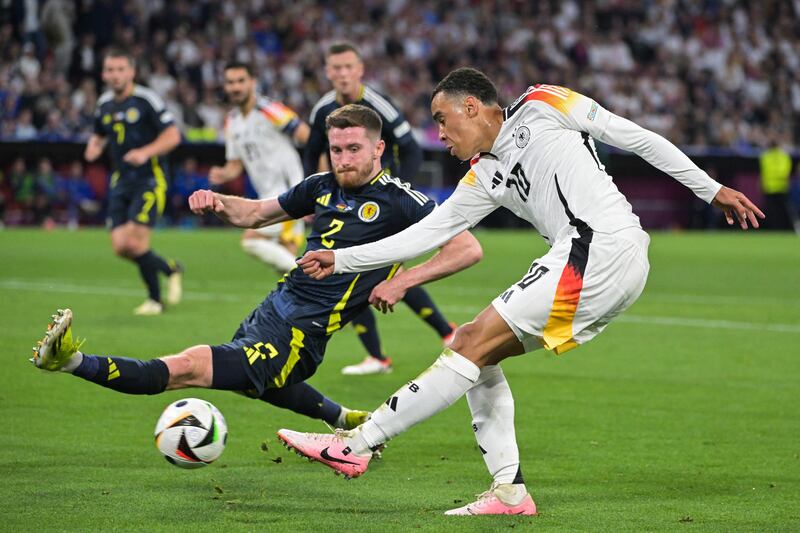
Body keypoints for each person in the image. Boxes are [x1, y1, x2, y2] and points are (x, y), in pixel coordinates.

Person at [276, 68, 765, 516]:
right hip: (596, 261)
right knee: (476, 351)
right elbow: (428, 233)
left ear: (471, 106)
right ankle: (509, 491)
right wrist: (343, 258)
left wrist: (709, 188)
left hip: (599, 247)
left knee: (470, 344)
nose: (439, 134)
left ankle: (355, 444)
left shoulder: (543, 103)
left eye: (442, 120)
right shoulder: (482, 174)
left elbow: (633, 136)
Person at [30, 104, 482, 439]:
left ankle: (69, 361)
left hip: (300, 336)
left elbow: (466, 248)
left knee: (187, 367)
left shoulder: (401, 201)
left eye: (353, 149)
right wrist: (218, 201)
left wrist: (402, 281)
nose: (342, 158)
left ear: (379, 148)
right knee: (256, 385)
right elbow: (256, 214)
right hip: (272, 309)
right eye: (335, 149)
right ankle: (344, 419)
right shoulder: (320, 186)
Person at [306, 41, 457, 375]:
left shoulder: (379, 105)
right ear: (328, 72)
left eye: (348, 67)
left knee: (366, 269)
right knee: (364, 270)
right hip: (344, 202)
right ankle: (440, 335)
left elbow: (411, 148)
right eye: (336, 68)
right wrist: (312, 197)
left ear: (360, 70)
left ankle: (404, 347)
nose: (343, 74)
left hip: (378, 203)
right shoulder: (322, 110)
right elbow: (311, 151)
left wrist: (395, 192)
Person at [84, 49, 183, 316]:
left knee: (136, 244)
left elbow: (173, 136)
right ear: (103, 74)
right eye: (110, 70)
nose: (115, 75)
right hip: (121, 180)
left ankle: (155, 300)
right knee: (121, 247)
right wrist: (94, 146)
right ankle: (170, 268)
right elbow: (99, 134)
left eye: (120, 69)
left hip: (150, 179)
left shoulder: (146, 100)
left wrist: (145, 152)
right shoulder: (104, 104)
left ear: (131, 72)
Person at [208, 62, 310, 274]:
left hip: (287, 192)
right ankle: (309, 283)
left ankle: (313, 280)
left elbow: (307, 136)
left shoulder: (270, 110)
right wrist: (223, 174)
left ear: (252, 82)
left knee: (251, 241)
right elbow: (235, 165)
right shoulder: (232, 121)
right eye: (230, 82)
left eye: (241, 81)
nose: (236, 87)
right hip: (266, 196)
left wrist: (312, 183)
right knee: (285, 267)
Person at [759, 132, 799, 233]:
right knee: (782, 211)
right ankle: (786, 229)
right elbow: (784, 172)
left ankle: (776, 230)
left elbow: (765, 172)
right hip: (781, 187)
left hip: (770, 188)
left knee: (774, 212)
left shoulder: (765, 156)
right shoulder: (784, 156)